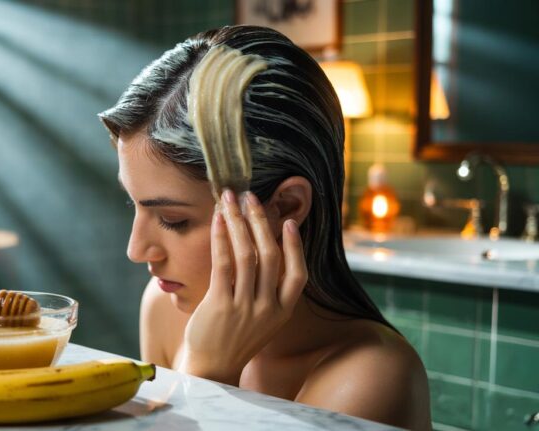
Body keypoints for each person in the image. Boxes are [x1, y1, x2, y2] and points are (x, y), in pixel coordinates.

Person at [98, 25, 431, 431]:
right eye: (133, 204)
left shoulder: (370, 377)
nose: (136, 250)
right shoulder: (164, 309)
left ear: (287, 206)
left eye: (173, 219)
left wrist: (206, 374)